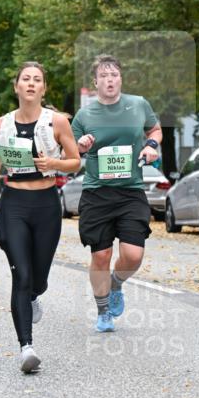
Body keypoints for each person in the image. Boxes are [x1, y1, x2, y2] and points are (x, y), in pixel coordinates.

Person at [0, 62, 80, 373]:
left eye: (36, 80)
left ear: (43, 89)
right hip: (13, 202)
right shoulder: (1, 124)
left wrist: (53, 161)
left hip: (46, 204)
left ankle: (36, 294)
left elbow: (75, 162)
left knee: (38, 279)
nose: (30, 84)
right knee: (21, 276)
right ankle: (26, 347)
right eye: (25, 79)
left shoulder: (57, 122)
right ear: (16, 87)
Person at [72, 54, 162, 333]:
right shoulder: (84, 115)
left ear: (121, 78)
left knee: (133, 255)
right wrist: (82, 146)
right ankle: (103, 312)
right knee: (101, 255)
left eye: (114, 75)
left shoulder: (138, 105)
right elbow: (71, 153)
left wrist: (150, 145)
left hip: (130, 191)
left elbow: (156, 129)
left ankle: (116, 285)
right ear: (95, 82)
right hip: (97, 192)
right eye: (103, 76)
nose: (109, 80)